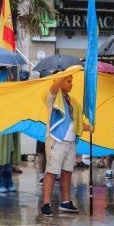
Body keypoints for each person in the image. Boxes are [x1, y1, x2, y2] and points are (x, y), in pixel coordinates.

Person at [41, 75, 94, 217]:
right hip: (56, 140)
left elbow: (74, 121)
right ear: (60, 81)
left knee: (67, 171)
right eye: (68, 81)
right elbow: (55, 85)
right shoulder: (52, 96)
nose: (72, 84)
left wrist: (89, 127)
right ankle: (45, 204)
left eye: (72, 81)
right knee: (52, 171)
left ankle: (65, 202)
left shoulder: (72, 101)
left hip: (71, 141)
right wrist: (65, 73)